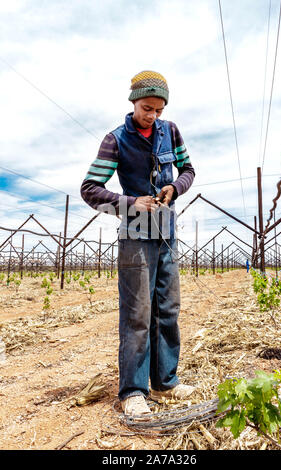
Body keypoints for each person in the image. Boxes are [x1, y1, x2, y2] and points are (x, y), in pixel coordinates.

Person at [81, 70, 196, 416]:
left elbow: (188, 169)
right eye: (147, 108)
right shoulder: (115, 139)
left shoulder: (171, 131)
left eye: (159, 110)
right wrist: (130, 202)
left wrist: (175, 188)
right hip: (134, 232)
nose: (153, 115)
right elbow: (90, 189)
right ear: (133, 102)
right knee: (137, 312)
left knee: (168, 308)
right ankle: (133, 391)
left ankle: (166, 382)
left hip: (166, 231)